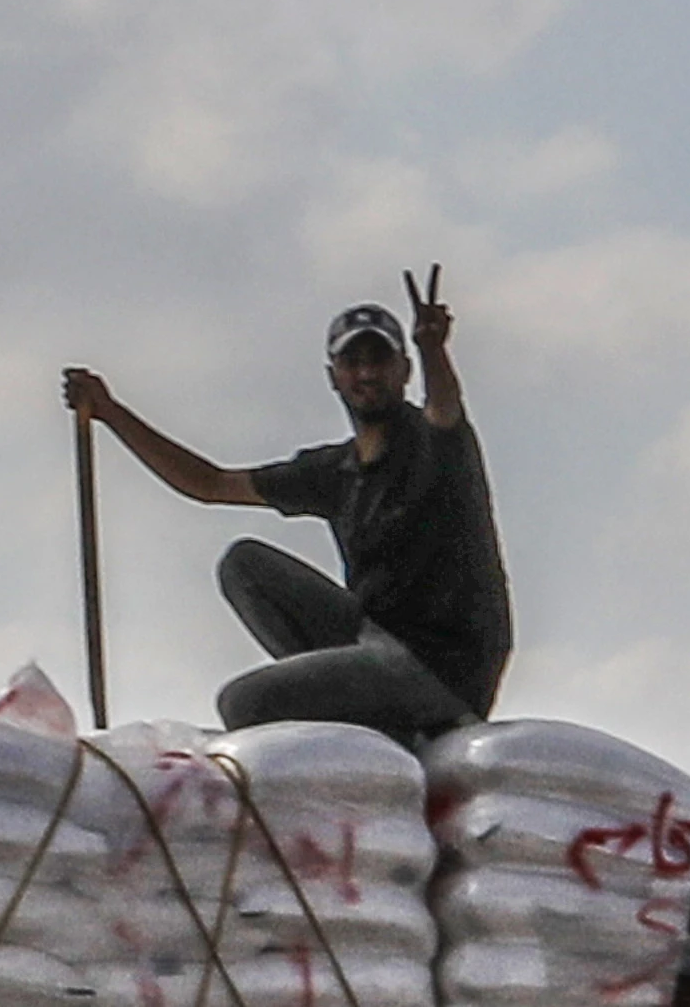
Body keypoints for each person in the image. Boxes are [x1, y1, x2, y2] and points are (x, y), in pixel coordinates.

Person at [61, 269, 511, 739]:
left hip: (442, 669)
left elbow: (445, 408)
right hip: (375, 641)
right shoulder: (335, 472)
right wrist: (110, 412)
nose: (366, 374)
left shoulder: (434, 446)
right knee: (244, 564)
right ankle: (369, 720)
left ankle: (407, 730)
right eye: (352, 363)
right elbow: (209, 483)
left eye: (379, 360)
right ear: (333, 377)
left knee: (245, 702)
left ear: (404, 370)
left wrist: (434, 350)